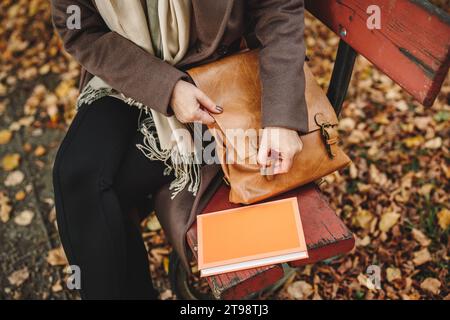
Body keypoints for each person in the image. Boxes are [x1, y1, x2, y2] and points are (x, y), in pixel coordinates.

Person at [51, 0, 307, 299]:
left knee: (101, 191)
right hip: (124, 75)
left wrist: (281, 117)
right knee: (76, 174)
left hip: (213, 86)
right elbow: (80, 29)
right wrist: (167, 88)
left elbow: (278, 9)